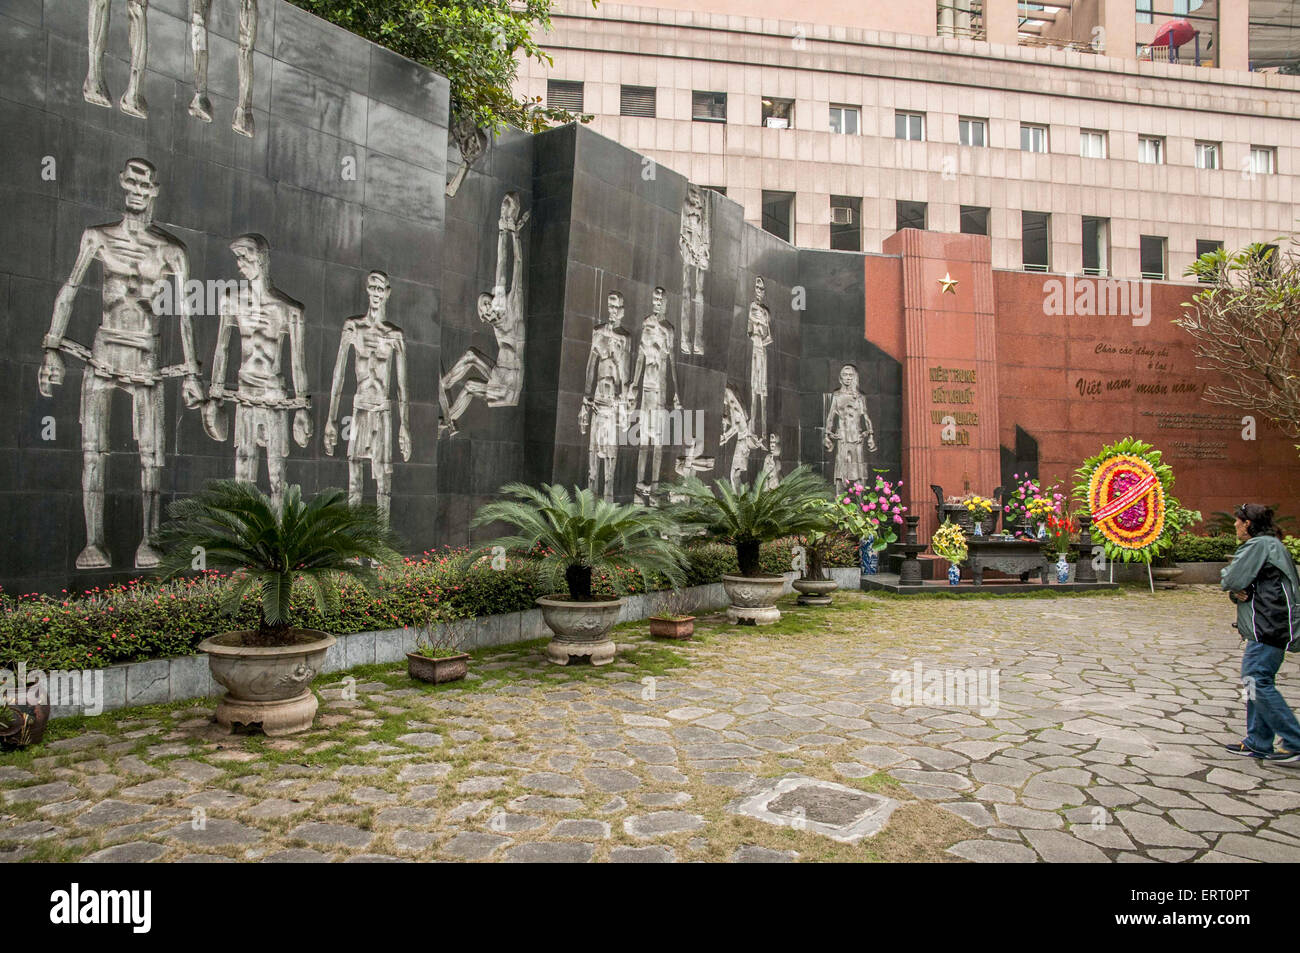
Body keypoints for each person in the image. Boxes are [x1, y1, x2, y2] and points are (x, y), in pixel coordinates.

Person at [1221, 503, 1300, 762]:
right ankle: (1258, 740)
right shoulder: (1271, 545)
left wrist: (1234, 586)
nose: (1235, 525)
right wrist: (1237, 592)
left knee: (1257, 681)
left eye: (1238, 521)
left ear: (1248, 523)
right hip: (1270, 625)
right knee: (1255, 682)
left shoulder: (1259, 545)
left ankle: (1294, 740)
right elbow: (1244, 586)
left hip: (1267, 625)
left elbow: (1231, 578)